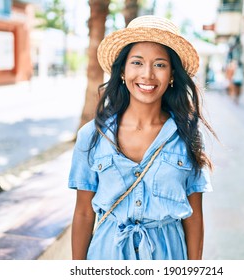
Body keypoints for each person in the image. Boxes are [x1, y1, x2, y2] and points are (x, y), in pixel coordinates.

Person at [68, 15, 217, 260]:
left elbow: (194, 216)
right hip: (107, 255)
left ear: (171, 75)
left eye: (159, 64)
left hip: (168, 255)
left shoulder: (188, 134)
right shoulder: (91, 136)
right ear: (123, 71)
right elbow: (84, 212)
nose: (147, 74)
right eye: (137, 62)